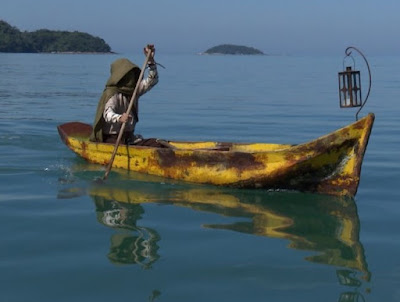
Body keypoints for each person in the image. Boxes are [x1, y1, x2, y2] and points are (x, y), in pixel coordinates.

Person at [90, 44, 159, 145]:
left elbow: (152, 81)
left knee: (157, 144)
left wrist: (151, 61)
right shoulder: (112, 93)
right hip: (112, 137)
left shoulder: (134, 91)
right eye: (128, 75)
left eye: (132, 74)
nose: (131, 78)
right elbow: (107, 114)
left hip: (129, 136)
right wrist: (119, 118)